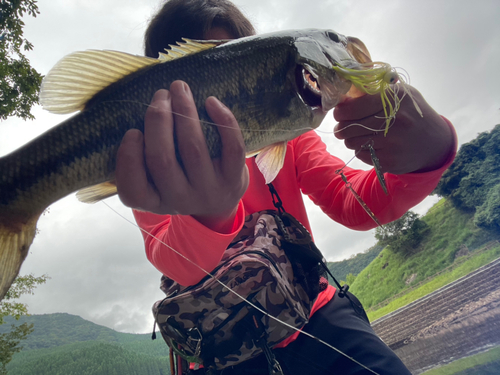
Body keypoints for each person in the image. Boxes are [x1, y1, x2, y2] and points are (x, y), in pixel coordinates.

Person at [115, 0, 457, 374]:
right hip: (221, 351)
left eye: (233, 63)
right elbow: (174, 261)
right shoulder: (147, 159)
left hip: (317, 315)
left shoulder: (289, 136)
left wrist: (427, 155)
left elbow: (356, 203)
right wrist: (209, 215)